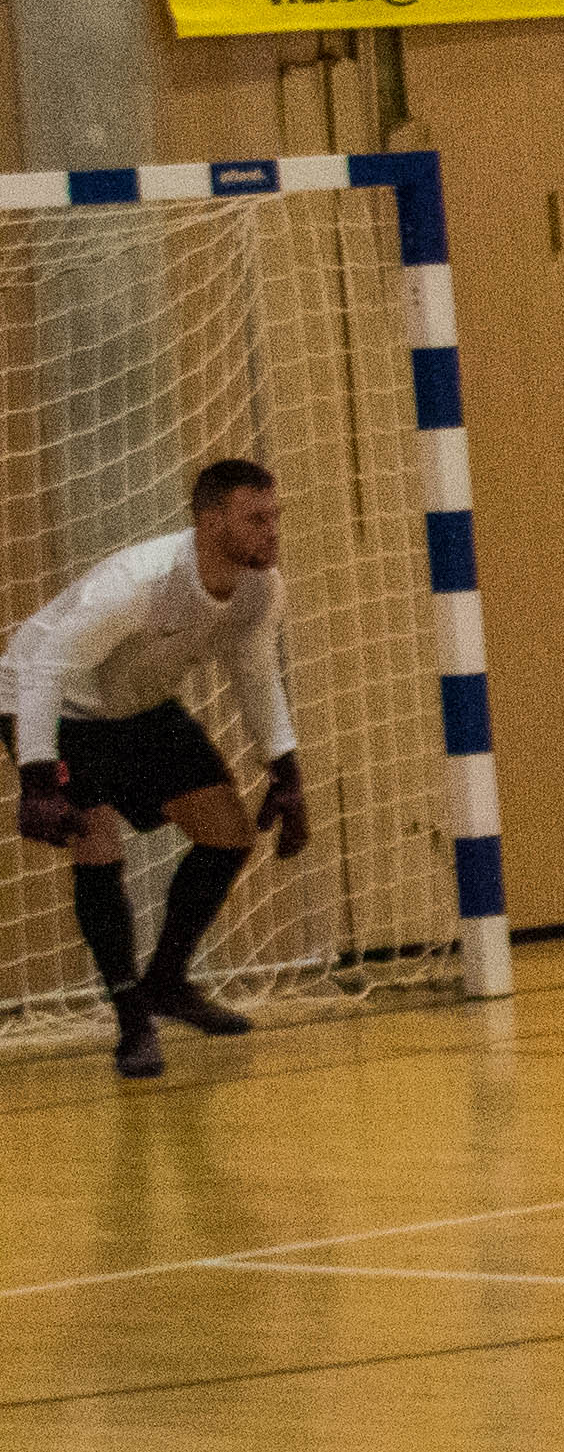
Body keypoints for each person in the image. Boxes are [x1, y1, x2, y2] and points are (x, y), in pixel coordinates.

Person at [8, 457, 305, 1082]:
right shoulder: (140, 582)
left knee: (228, 834)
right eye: (256, 519)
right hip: (54, 704)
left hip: (138, 707)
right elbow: (43, 669)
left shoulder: (261, 587)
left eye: (274, 516)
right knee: (97, 842)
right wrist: (37, 781)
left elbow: (254, 671)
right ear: (210, 521)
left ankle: (167, 982)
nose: (272, 530)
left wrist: (286, 772)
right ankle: (131, 1020)